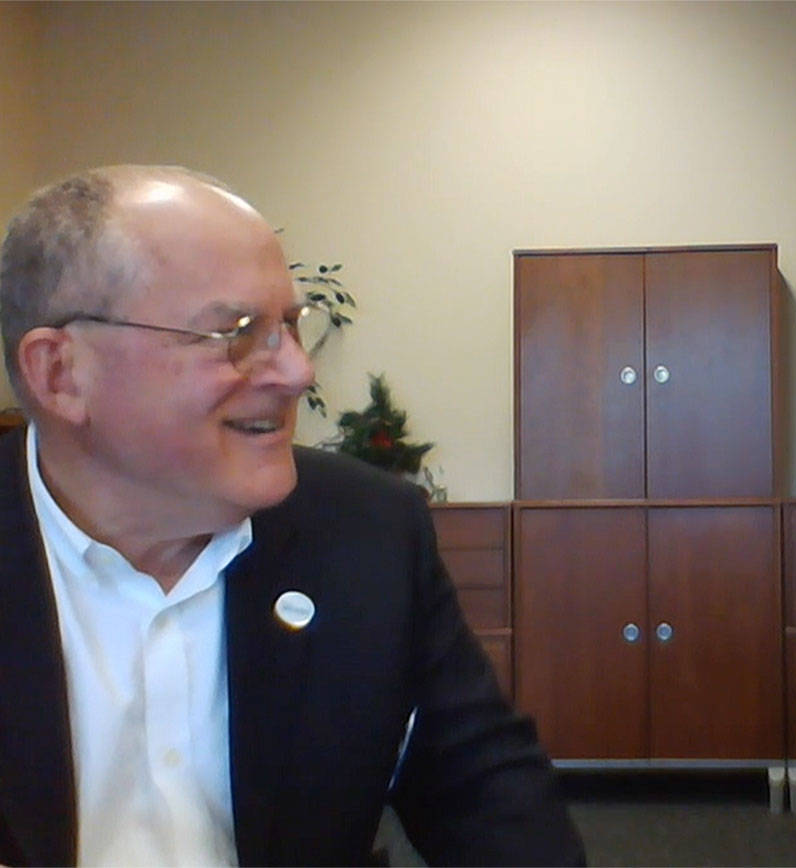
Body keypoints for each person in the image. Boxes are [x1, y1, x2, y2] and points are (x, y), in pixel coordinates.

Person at [0, 165, 586, 866]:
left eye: (290, 326)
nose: (298, 373)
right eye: (238, 333)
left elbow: (487, 798)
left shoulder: (367, 533)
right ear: (62, 374)